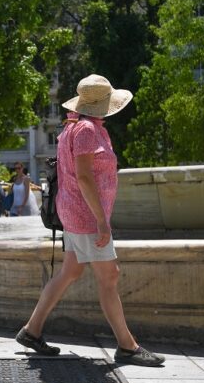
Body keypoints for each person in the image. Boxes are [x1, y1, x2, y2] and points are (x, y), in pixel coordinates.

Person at [16, 74, 165, 367]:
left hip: (74, 212)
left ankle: (31, 331)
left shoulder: (78, 127)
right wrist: (101, 221)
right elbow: (83, 176)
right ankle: (127, 346)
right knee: (110, 276)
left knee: (70, 272)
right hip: (85, 216)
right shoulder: (85, 130)